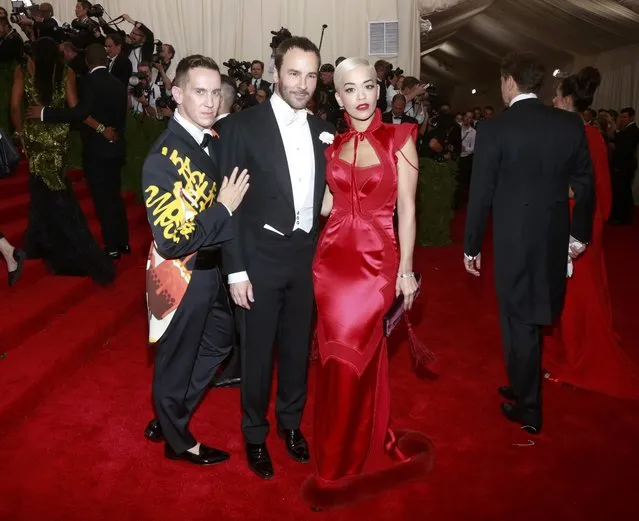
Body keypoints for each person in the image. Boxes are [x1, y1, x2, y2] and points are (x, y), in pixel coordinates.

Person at [301, 58, 434, 511]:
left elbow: (409, 212)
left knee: (354, 356)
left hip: (376, 264)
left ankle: (348, 454)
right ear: (336, 97)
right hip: (330, 263)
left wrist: (407, 270)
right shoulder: (333, 146)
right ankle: (333, 449)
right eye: (350, 89)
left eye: (369, 86)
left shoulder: (401, 140)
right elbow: (323, 207)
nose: (361, 95)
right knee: (332, 359)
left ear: (379, 90)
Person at [219, 36, 334, 480]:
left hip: (306, 256)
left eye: (310, 75)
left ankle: (290, 425)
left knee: (295, 348)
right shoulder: (241, 127)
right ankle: (254, 433)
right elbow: (229, 208)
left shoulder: (324, 129)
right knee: (257, 352)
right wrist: (236, 269)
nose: (302, 84)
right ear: (274, 72)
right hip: (258, 258)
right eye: (293, 73)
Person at [463, 52, 595, 434]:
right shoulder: (570, 125)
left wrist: (471, 246)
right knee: (531, 315)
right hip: (553, 234)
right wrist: (579, 235)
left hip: (513, 240)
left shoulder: (494, 129)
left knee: (517, 316)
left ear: (509, 81)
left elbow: (481, 194)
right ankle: (522, 383)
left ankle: (530, 408)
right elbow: (586, 185)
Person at [141, 55, 249, 465]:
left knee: (219, 342)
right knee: (176, 361)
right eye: (199, 92)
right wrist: (222, 209)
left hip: (211, 272)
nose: (209, 101)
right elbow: (171, 240)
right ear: (177, 94)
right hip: (180, 275)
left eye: (215, 92)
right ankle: (177, 440)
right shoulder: (163, 157)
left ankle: (170, 416)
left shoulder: (210, 139)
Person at [547, 67, 639, 399]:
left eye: (557, 95)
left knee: (576, 293)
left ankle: (580, 358)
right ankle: (572, 349)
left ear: (569, 100)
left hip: (577, 223)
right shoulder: (585, 134)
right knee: (574, 290)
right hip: (579, 219)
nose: (553, 100)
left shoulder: (582, 136)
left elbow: (581, 188)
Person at [11, 37, 114, 284]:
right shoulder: (65, 71)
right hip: (58, 140)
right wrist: (101, 128)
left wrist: (21, 134)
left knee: (49, 191)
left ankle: (67, 250)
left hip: (35, 137)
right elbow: (76, 108)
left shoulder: (24, 70)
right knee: (50, 190)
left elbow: (15, 106)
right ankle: (39, 240)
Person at [29, 44, 130, 260]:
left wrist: (45, 113)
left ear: (87, 61)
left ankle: (112, 247)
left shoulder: (89, 82)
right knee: (115, 197)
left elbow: (80, 113)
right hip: (117, 149)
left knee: (102, 200)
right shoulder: (118, 83)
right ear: (105, 59)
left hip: (97, 152)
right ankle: (123, 242)